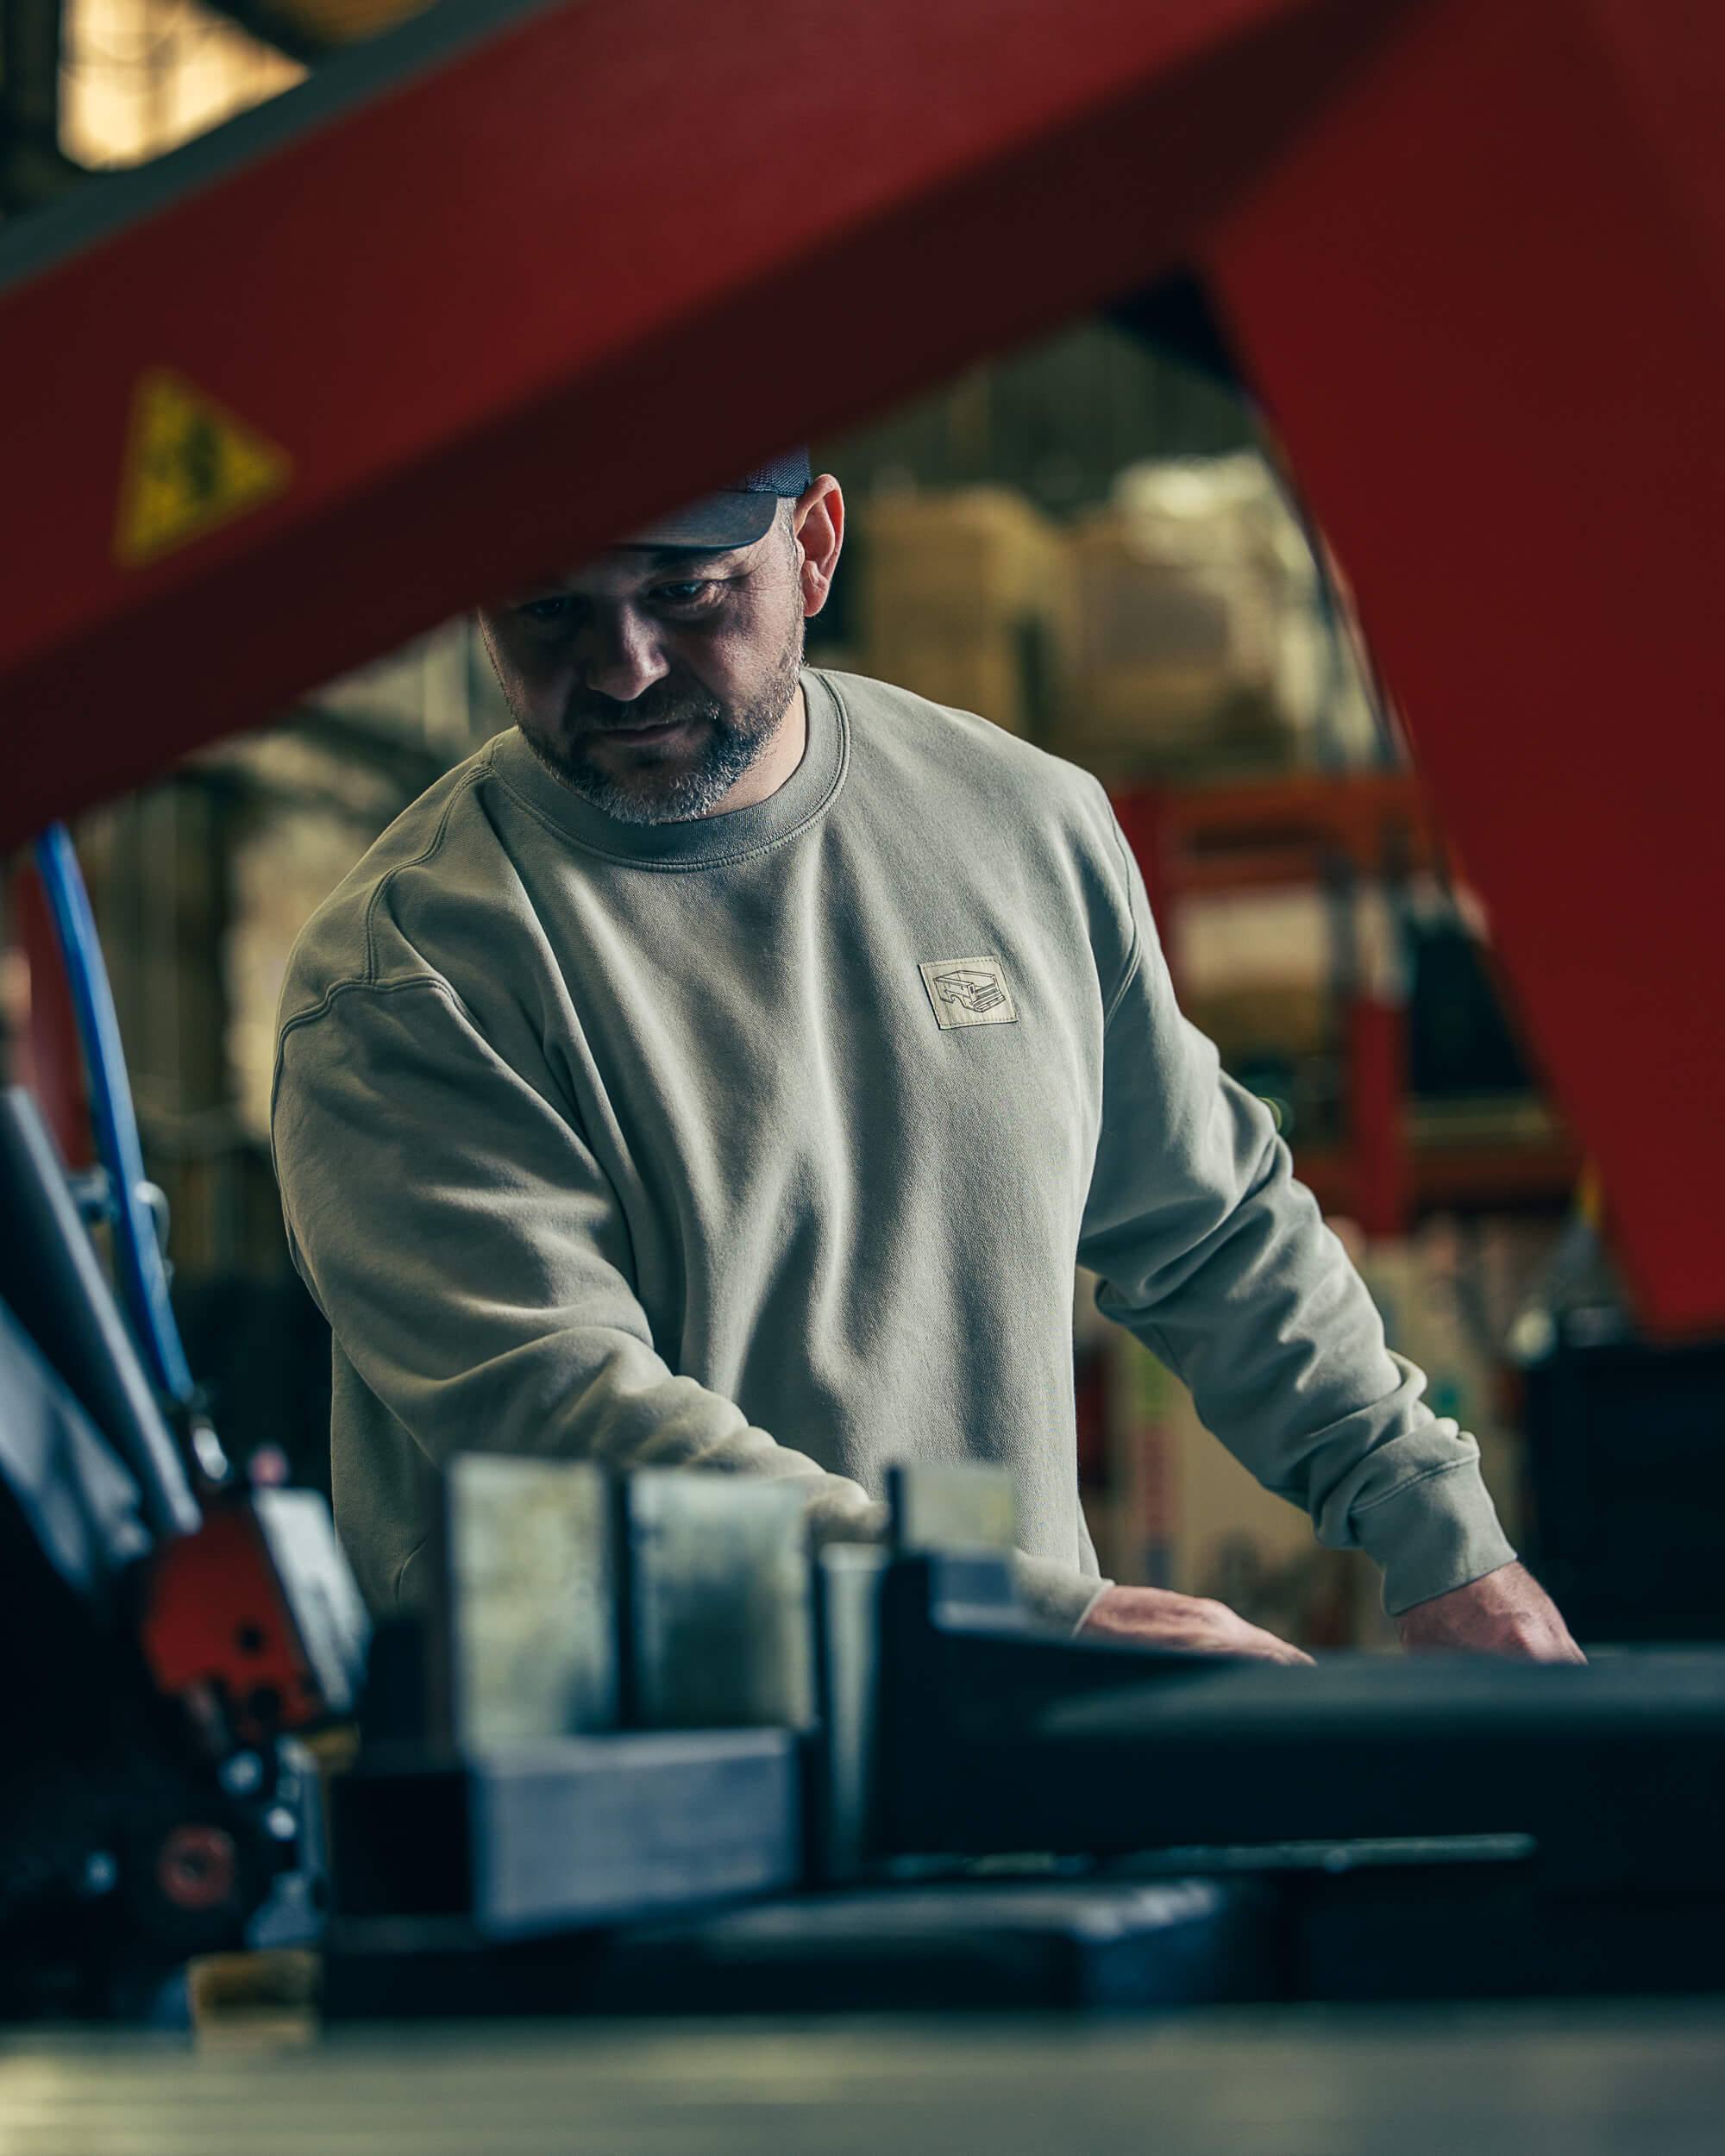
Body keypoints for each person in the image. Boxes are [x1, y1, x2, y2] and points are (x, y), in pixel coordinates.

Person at [272, 454, 1582, 1664]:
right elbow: (562, 1422)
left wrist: (1442, 1541)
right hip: (616, 1830)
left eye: (686, 592)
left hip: (1000, 1765)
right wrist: (1026, 1618)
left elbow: (1213, 1228)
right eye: (549, 614)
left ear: (818, 545)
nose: (622, 667)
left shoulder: (1021, 829)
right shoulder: (408, 978)